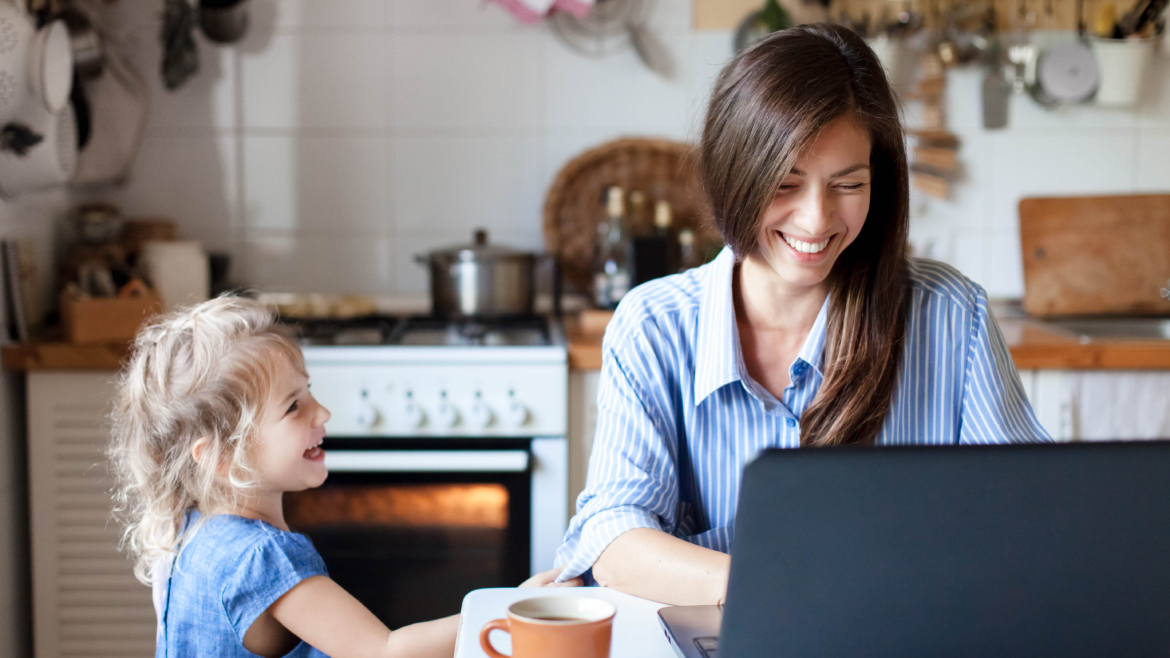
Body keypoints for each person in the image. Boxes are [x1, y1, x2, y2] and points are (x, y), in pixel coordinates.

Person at [553, 22, 1050, 605]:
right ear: (734, 174)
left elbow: (1029, 519)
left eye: (848, 184)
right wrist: (790, 587)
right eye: (786, 184)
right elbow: (614, 540)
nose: (817, 221)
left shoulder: (950, 317)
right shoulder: (653, 326)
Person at [108, 296, 577, 658]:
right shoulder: (263, 561)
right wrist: (512, 610)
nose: (323, 412)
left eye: (308, 391)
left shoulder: (190, 533)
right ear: (220, 456)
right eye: (294, 406)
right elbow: (382, 651)